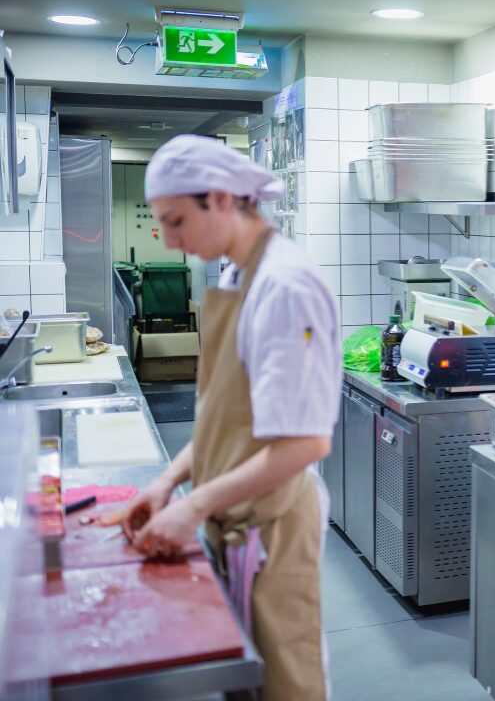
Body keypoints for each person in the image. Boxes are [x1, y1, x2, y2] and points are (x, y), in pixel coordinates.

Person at [121, 134, 339, 701]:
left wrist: (194, 504)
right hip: (234, 511)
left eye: (175, 221)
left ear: (219, 199)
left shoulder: (285, 286)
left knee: (286, 682)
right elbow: (227, 417)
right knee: (247, 682)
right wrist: (167, 483)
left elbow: (306, 442)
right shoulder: (236, 275)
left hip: (275, 522)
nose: (168, 239)